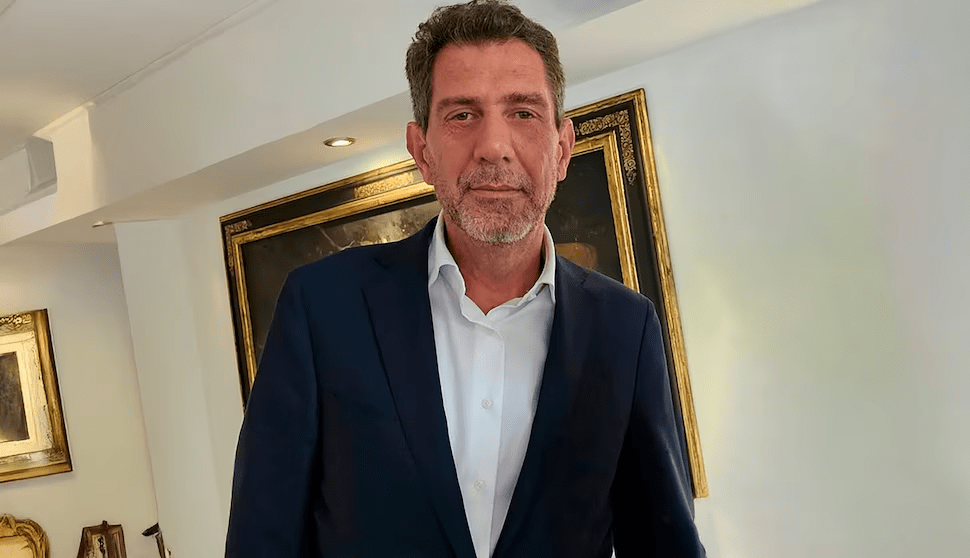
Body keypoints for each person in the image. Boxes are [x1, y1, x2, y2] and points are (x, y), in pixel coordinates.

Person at [225, 1, 705, 556]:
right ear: (422, 151)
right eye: (461, 115)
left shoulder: (625, 328)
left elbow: (664, 542)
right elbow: (262, 538)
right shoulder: (322, 307)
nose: (494, 146)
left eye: (523, 112)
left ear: (562, 148)